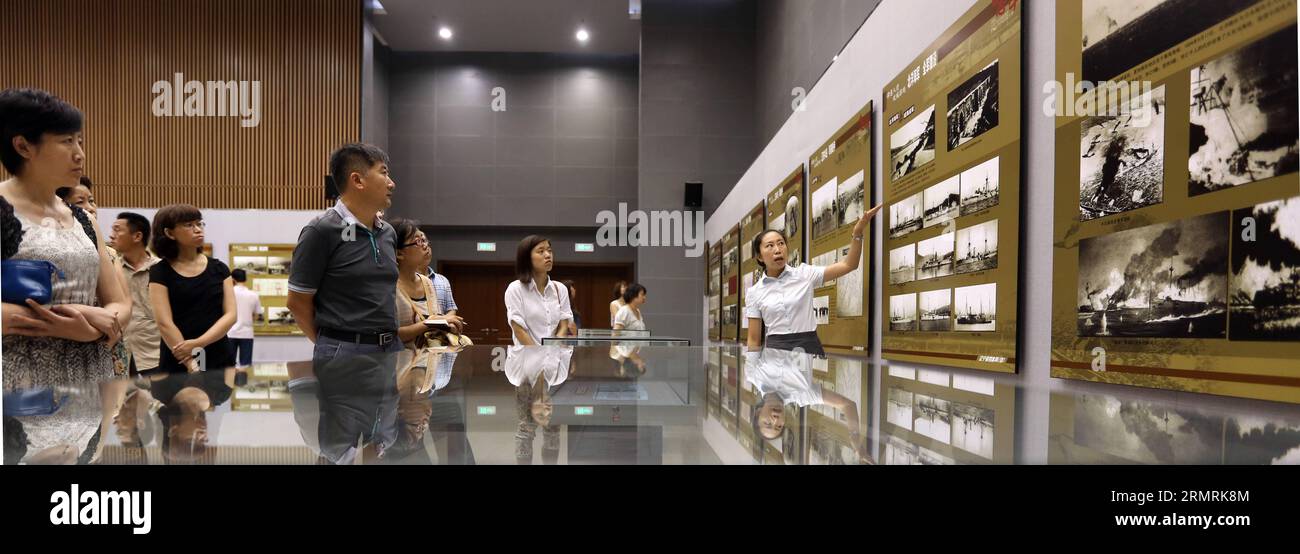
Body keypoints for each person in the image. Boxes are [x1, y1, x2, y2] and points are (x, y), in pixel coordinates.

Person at [0, 88, 130, 389]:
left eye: (80, 141)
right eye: (66, 141)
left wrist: (89, 330)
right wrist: (75, 318)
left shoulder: (82, 219)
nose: (79, 153)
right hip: (19, 385)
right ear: (23, 146)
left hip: (91, 381)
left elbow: (119, 304)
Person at [287, 143, 401, 361]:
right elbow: (297, 302)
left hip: (390, 350)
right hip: (344, 351)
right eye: (383, 173)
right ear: (357, 180)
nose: (391, 183)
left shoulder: (387, 233)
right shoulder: (321, 230)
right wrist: (331, 346)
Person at [744, 204, 881, 355]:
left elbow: (849, 265)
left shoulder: (804, 273)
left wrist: (857, 233)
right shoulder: (754, 292)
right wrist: (752, 374)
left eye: (781, 243)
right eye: (770, 246)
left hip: (807, 347)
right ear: (759, 256)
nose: (777, 249)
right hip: (775, 351)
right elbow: (753, 339)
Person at [149, 204, 236, 373]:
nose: (197, 229)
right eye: (189, 225)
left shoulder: (220, 269)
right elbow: (164, 322)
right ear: (169, 233)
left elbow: (231, 315)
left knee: (218, 399)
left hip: (218, 354)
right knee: (183, 399)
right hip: (179, 356)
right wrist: (190, 361)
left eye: (199, 223)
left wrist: (198, 343)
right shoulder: (160, 271)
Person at [745, 347, 868, 463]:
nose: (775, 420)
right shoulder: (802, 395)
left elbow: (755, 332)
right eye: (778, 427)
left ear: (758, 412)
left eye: (767, 423)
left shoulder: (754, 376)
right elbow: (847, 405)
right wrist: (856, 440)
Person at [108, 211, 162, 373]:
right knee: (119, 398)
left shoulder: (161, 270)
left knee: (158, 397)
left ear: (137, 236)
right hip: (118, 351)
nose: (112, 236)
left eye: (117, 230)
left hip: (154, 352)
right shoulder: (111, 269)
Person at [504, 235, 574, 346]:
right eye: (540, 251)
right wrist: (539, 354)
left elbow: (564, 325)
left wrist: (552, 349)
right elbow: (519, 330)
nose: (548, 255)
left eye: (549, 251)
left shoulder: (560, 289)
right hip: (526, 358)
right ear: (527, 258)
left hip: (554, 358)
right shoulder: (515, 289)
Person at [228, 269, 262, 368]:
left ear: (232, 279)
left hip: (230, 332)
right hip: (247, 333)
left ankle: (229, 383)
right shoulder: (253, 295)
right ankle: (244, 383)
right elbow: (256, 314)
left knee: (229, 366)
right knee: (246, 366)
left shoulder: (229, 293)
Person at [425, 265, 467, 334]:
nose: (428, 253)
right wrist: (443, 319)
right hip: (418, 335)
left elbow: (451, 309)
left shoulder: (442, 279)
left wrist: (448, 321)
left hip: (441, 334)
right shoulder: (407, 281)